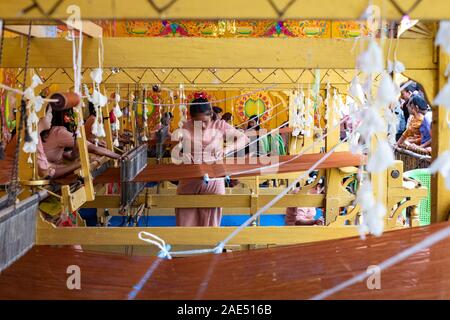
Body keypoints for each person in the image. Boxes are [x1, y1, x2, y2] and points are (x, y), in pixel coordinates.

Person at [174, 97, 248, 227]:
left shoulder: (219, 125)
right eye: (197, 121)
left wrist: (227, 149)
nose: (201, 125)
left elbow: (244, 138)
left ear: (211, 115)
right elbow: (178, 148)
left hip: (214, 180)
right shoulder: (186, 126)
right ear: (191, 118)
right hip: (189, 179)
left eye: (204, 121)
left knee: (211, 225)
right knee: (185, 224)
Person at [41, 108, 121, 166]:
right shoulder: (59, 132)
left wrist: (81, 144)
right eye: (70, 113)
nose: (72, 117)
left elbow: (69, 156)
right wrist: (120, 157)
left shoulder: (52, 132)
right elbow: (94, 149)